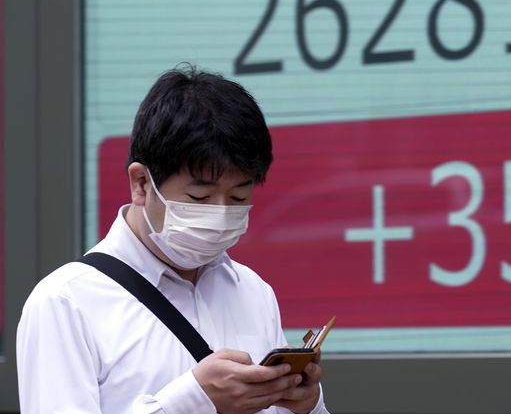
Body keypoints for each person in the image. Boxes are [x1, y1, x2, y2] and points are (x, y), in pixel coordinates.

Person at [16, 65, 328, 414]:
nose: (221, 214)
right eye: (199, 198)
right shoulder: (66, 302)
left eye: (239, 197)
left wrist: (307, 405)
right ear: (141, 183)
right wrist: (193, 401)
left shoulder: (252, 291)